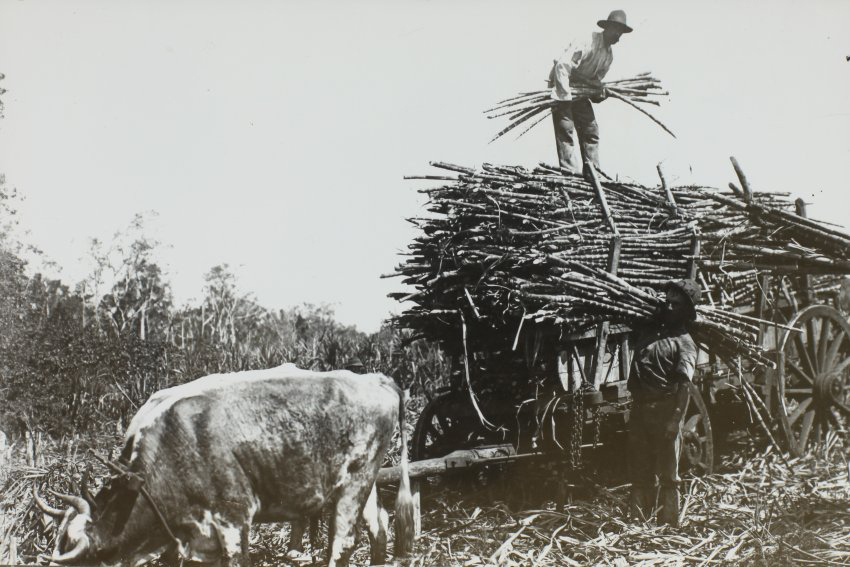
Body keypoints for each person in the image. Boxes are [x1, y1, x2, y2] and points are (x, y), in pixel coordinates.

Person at [627, 279, 701, 527]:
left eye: (676, 304)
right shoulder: (649, 331)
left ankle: (669, 524)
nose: (669, 308)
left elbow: (684, 387)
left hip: (665, 409)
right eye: (667, 302)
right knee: (639, 468)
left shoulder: (686, 344)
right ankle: (639, 523)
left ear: (686, 311)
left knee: (669, 473)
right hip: (640, 409)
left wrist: (675, 420)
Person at [548, 10, 632, 175]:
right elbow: (562, 67)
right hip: (562, 85)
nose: (618, 35)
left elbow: (595, 85)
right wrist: (564, 99)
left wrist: (600, 93)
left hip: (580, 91)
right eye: (616, 30)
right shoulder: (587, 41)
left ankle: (593, 174)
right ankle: (570, 173)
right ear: (607, 27)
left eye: (621, 32)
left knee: (591, 130)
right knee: (566, 128)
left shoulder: (608, 56)